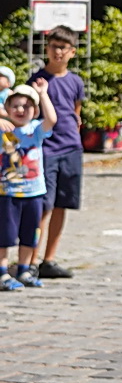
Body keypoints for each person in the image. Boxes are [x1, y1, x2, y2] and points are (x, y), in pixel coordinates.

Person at [30, 28, 85, 280]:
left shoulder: (76, 81)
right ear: (47, 49)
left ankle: (48, 260)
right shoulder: (37, 80)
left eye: (63, 47)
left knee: (63, 204)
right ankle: (29, 260)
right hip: (46, 150)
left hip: (71, 148)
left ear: (72, 52)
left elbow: (76, 113)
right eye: (53, 46)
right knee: (43, 205)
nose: (58, 51)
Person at [0, 82, 57, 291]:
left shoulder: (35, 130)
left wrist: (43, 94)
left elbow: (52, 119)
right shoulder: (4, 129)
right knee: (4, 236)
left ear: (35, 110)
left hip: (34, 192)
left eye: (26, 106)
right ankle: (2, 273)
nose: (21, 110)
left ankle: (24, 269)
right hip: (7, 192)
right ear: (7, 109)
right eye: (15, 106)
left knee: (30, 233)